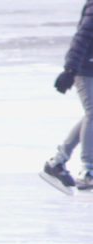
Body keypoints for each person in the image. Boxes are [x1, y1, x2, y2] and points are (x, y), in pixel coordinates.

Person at [41, 0, 93, 194]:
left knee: (91, 114)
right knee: (92, 113)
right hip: (85, 69)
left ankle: (58, 161)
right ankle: (88, 170)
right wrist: (70, 70)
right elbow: (82, 37)